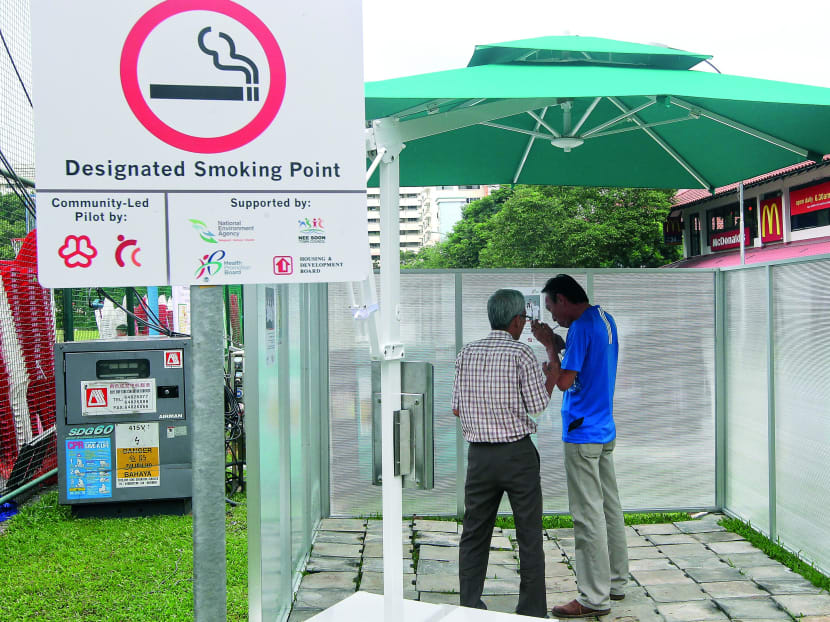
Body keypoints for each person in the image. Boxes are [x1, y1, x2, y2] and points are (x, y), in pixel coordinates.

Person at [452, 288, 556, 618]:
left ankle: (470, 605)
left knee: (474, 532)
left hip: (479, 457)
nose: (524, 325)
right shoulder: (521, 354)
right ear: (515, 321)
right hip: (517, 456)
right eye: (524, 319)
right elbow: (538, 407)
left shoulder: (466, 353)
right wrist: (549, 378)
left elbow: (456, 409)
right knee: (528, 534)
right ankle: (531, 610)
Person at [531, 274, 628, 619]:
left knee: (587, 516)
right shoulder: (603, 319)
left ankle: (593, 597)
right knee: (609, 509)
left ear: (562, 299)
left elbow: (564, 382)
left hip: (582, 431)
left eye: (551, 309)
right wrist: (557, 343)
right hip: (603, 427)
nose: (552, 317)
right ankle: (616, 582)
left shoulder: (582, 328)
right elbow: (586, 361)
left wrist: (548, 351)